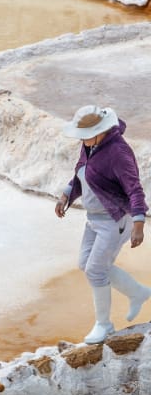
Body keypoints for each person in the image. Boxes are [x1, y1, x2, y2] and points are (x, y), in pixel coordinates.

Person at [54, 105, 149, 344]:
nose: (82, 140)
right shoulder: (89, 146)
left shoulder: (119, 152)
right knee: (86, 265)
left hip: (114, 220)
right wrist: (66, 195)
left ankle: (104, 325)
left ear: (101, 131)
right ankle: (138, 292)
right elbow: (81, 174)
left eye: (85, 135)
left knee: (96, 270)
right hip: (93, 219)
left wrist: (139, 222)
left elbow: (135, 189)